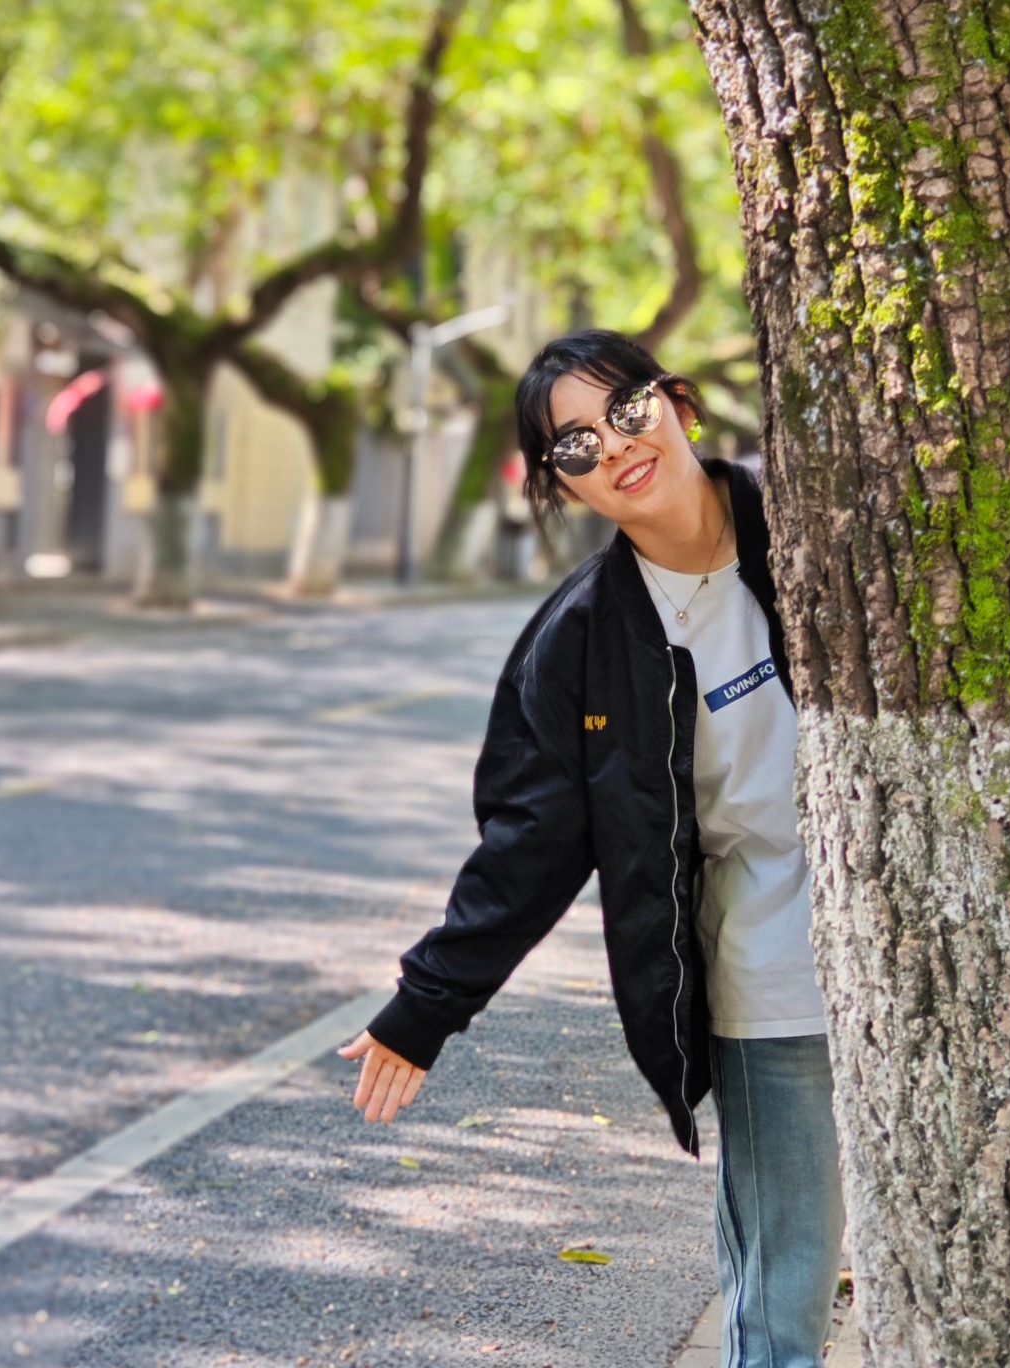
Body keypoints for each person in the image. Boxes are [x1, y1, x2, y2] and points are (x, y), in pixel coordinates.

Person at [339, 329, 845, 1368]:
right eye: (574, 445)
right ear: (563, 487)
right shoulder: (578, 639)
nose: (614, 447)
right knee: (786, 1278)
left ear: (679, 404)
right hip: (772, 965)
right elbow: (531, 839)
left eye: (625, 410)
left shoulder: (816, 527)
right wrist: (426, 1004)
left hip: (923, 936)